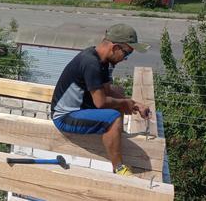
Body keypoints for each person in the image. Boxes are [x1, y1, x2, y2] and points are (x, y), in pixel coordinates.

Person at [50, 23, 151, 176]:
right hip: (65, 116)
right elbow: (101, 102)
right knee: (113, 118)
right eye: (126, 53)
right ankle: (118, 168)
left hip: (80, 108)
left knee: (118, 91)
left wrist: (135, 104)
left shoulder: (102, 61)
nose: (126, 59)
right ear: (115, 47)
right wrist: (125, 103)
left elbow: (108, 91)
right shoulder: (91, 63)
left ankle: (116, 136)